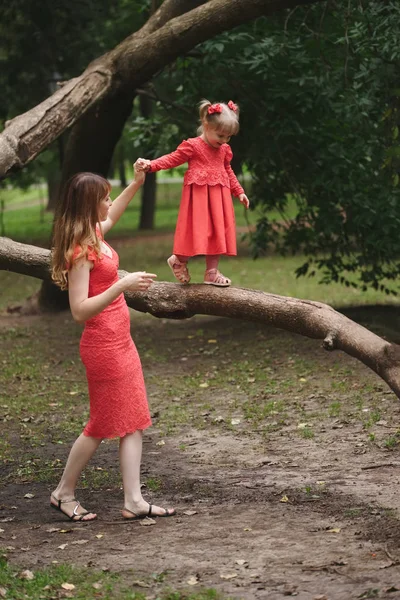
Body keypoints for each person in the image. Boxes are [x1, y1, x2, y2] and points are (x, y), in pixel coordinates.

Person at [50, 167, 176, 522]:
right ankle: (63, 492)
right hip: (103, 346)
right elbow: (79, 311)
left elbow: (115, 213)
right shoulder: (80, 252)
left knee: (133, 420)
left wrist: (136, 184)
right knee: (100, 425)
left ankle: (133, 500)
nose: (109, 202)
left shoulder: (93, 234)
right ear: (91, 205)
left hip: (122, 341)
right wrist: (123, 284)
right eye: (104, 197)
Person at [136, 99, 250, 287]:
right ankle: (179, 260)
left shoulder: (224, 150)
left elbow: (228, 171)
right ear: (206, 124)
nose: (224, 141)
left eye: (228, 137)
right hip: (199, 200)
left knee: (217, 233)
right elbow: (172, 159)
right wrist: (151, 165)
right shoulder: (193, 146)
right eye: (220, 135)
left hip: (219, 199)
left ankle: (211, 273)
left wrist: (239, 191)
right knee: (195, 233)